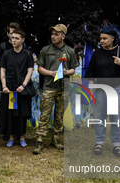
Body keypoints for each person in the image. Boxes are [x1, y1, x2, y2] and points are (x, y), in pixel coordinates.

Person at [84, 26, 120, 157]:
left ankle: (116, 144)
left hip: (117, 88)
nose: (102, 41)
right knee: (100, 117)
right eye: (100, 38)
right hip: (100, 89)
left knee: (115, 117)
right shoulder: (97, 54)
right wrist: (91, 91)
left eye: (105, 38)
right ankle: (99, 142)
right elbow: (90, 73)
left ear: (113, 39)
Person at [32, 24, 78, 154]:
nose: (53, 36)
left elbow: (74, 68)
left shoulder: (70, 51)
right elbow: (40, 68)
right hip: (49, 87)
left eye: (56, 34)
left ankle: (56, 138)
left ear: (63, 36)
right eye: (52, 34)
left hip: (64, 87)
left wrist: (67, 71)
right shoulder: (45, 50)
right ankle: (40, 139)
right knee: (45, 114)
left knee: (59, 115)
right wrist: (51, 73)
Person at [0, 28, 34, 147]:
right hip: (9, 88)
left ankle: (22, 137)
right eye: (12, 38)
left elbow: (30, 71)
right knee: (10, 113)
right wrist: (4, 87)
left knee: (22, 113)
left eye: (17, 38)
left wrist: (23, 85)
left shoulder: (27, 54)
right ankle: (11, 137)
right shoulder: (6, 53)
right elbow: (2, 72)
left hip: (22, 87)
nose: (14, 40)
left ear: (23, 40)